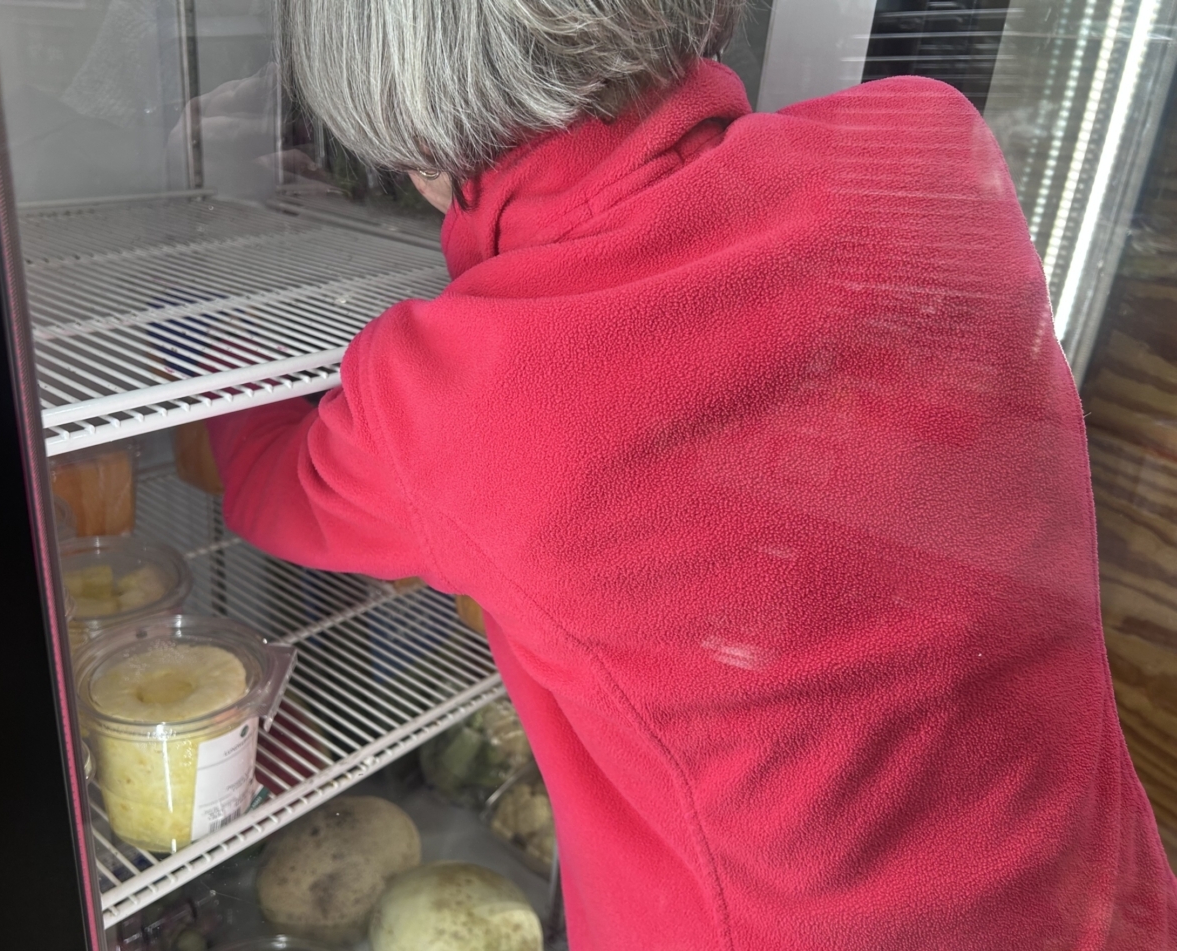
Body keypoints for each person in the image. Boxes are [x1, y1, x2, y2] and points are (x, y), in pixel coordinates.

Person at [205, 1, 1177, 947]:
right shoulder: (929, 147)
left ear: (413, 144)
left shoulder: (449, 398)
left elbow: (265, 487)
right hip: (1103, 898)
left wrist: (218, 317)